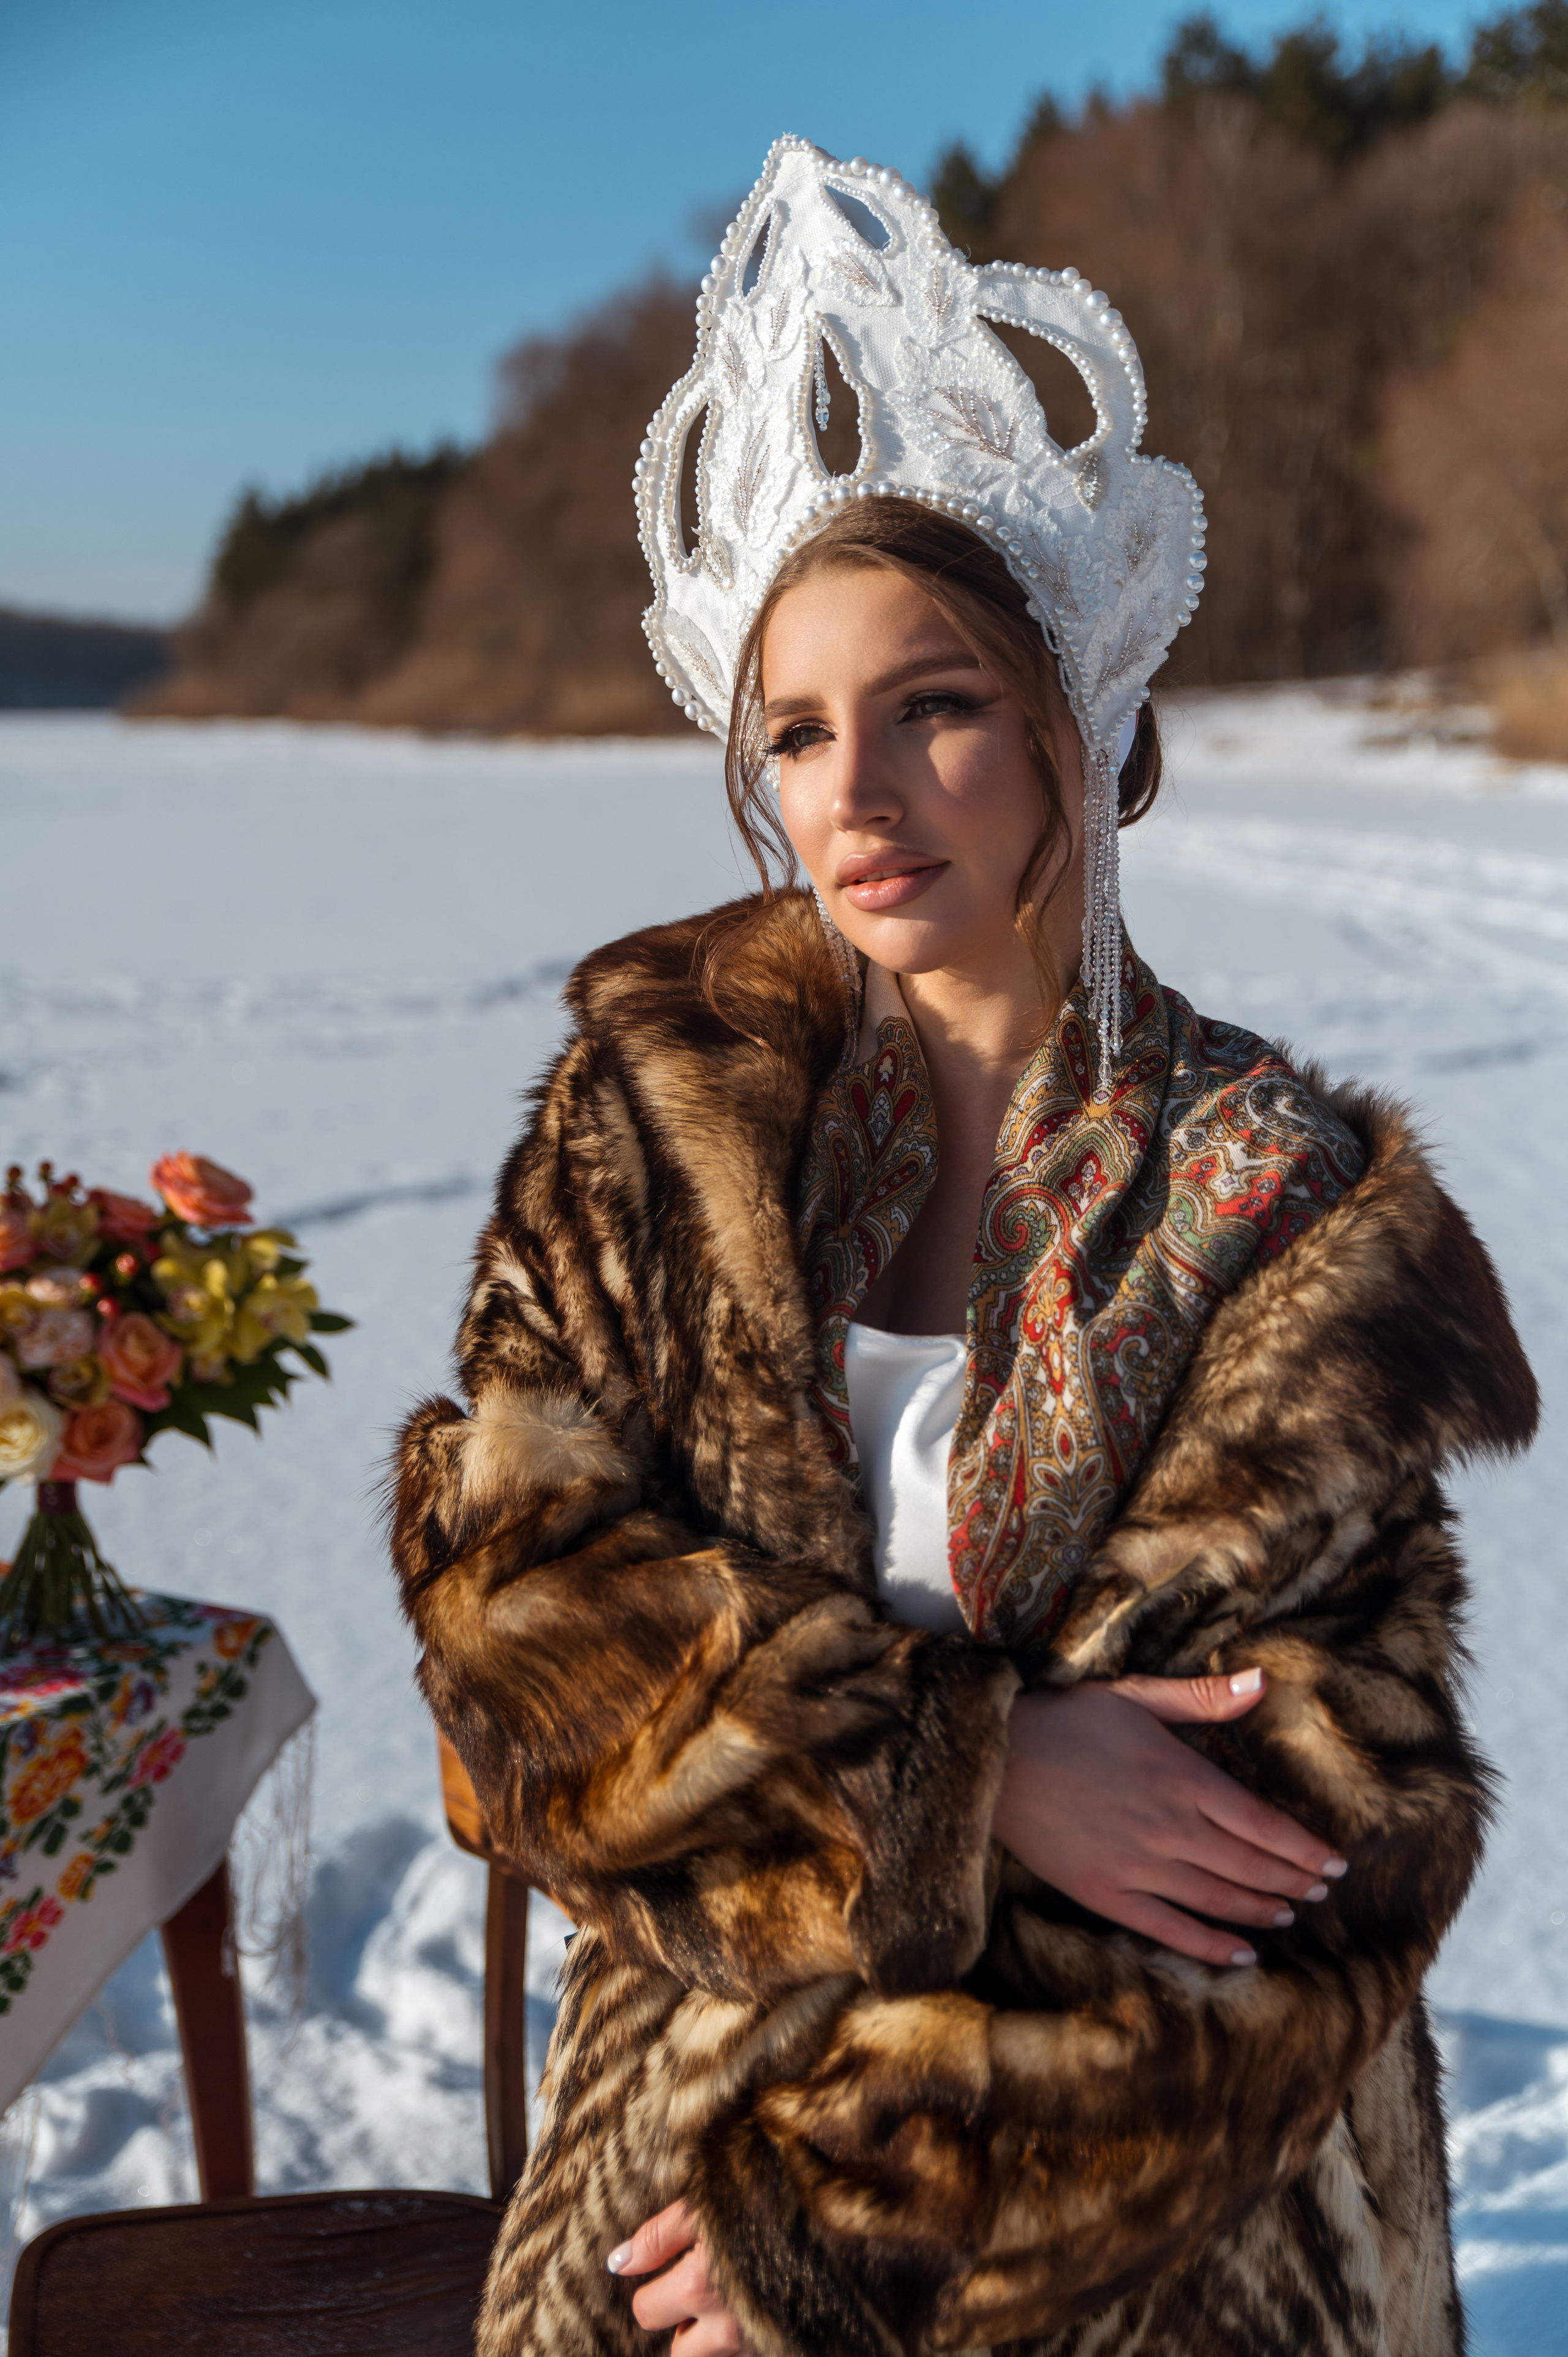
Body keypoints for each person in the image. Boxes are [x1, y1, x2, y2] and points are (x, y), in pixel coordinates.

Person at [391, 138, 1536, 2357]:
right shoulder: (656, 1126)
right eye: (800, 732)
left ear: (1073, 730)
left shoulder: (1274, 1205)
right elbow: (511, 1650)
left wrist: (851, 2236)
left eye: (936, 705)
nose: (856, 795)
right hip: (665, 2221)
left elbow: (1325, 1842)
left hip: (1149, 2247)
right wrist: (963, 1767)